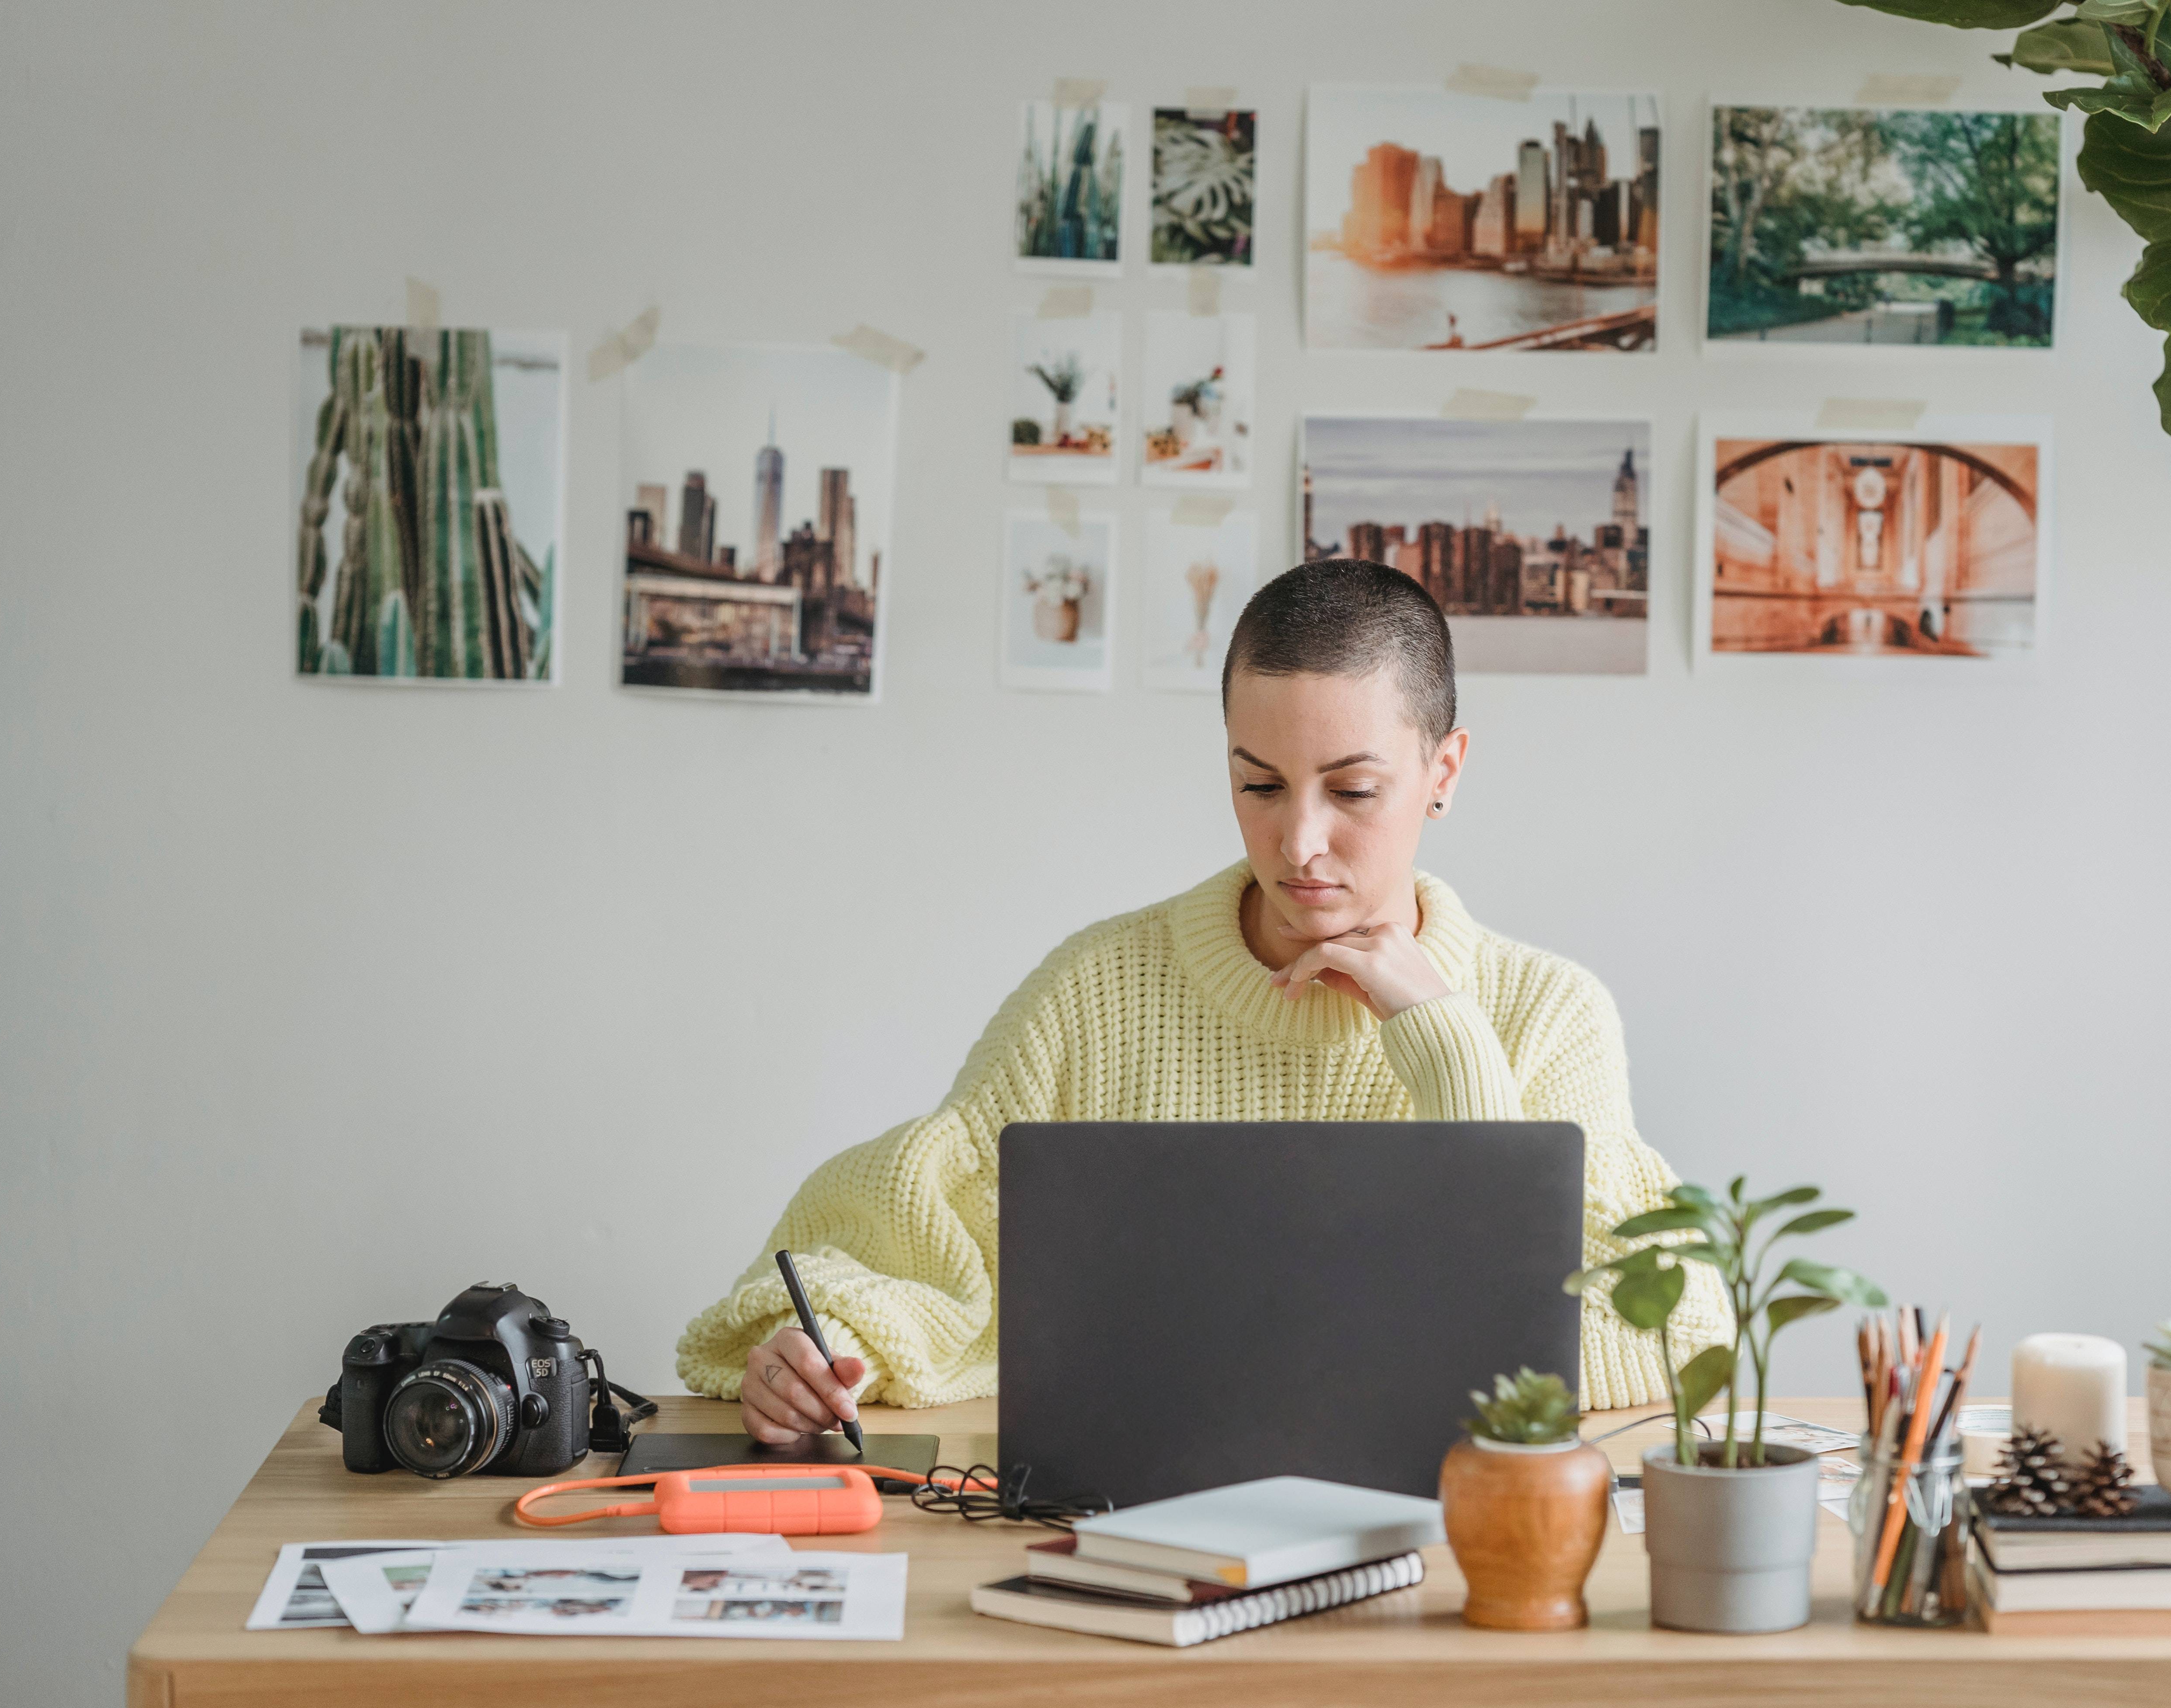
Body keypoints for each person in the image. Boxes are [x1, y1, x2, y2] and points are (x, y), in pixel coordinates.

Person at [678, 559, 1729, 1443]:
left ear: (1444, 769)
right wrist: (813, 1352)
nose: (1300, 842)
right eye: (1259, 784)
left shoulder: (1550, 1010)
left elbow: (1658, 1336)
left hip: (1445, 1538)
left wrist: (1440, 1028)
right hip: (1125, 1531)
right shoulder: (1097, 989)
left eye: (1353, 790)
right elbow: (920, 1241)